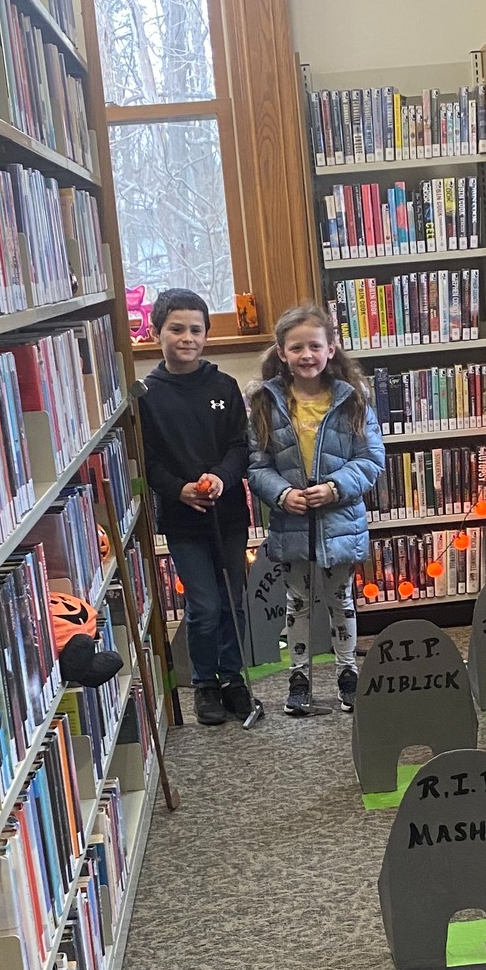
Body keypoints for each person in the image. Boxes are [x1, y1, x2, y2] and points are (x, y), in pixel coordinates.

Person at [247, 303, 385, 715]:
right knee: (298, 602)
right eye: (296, 348)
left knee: (341, 599)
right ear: (281, 352)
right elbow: (257, 464)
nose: (306, 355)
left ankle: (347, 673)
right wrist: (281, 494)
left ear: (331, 349)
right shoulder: (265, 403)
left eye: (314, 346)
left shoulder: (353, 400)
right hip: (290, 522)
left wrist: (335, 487)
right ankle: (300, 678)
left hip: (338, 520)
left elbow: (371, 459)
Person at [137, 288, 251, 727]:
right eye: (176, 329)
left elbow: (240, 446)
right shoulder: (147, 394)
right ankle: (205, 682)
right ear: (156, 332)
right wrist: (179, 489)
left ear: (207, 334)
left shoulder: (224, 386)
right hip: (183, 519)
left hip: (229, 515)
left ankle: (232, 677)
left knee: (232, 601)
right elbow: (148, 461)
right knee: (203, 604)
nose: (187, 338)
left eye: (196, 330)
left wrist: (222, 476)